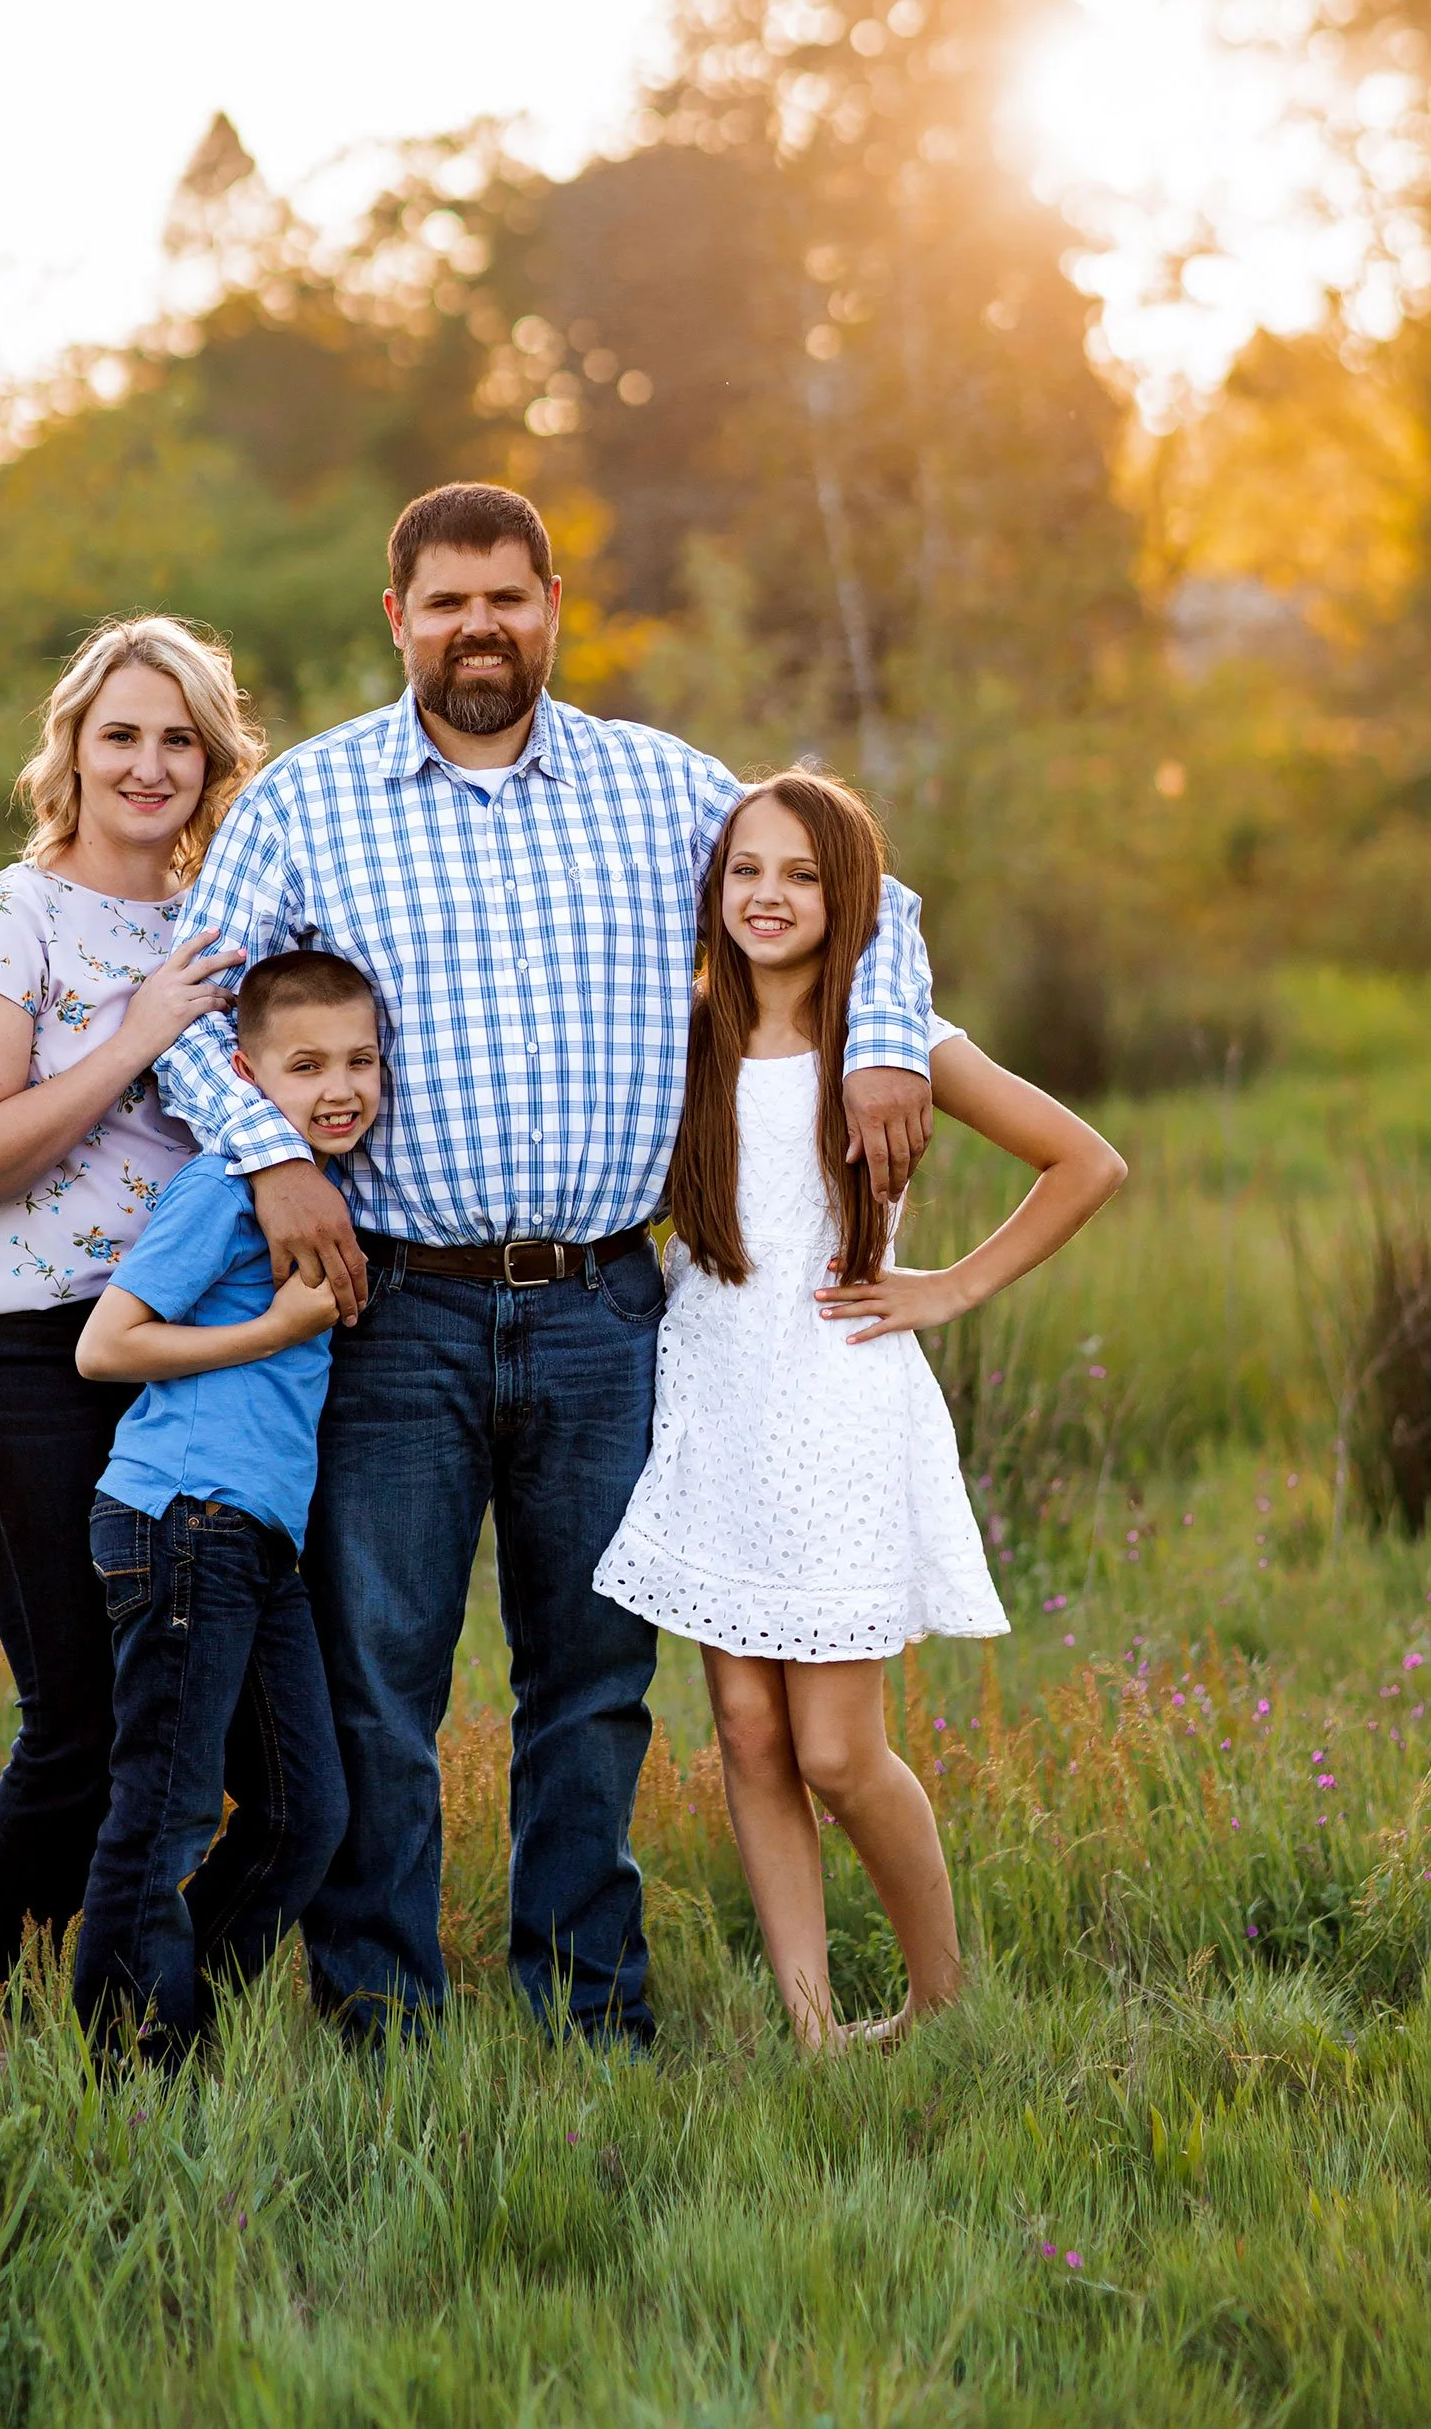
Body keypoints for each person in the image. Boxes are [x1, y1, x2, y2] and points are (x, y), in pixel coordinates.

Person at [153, 481, 938, 2044]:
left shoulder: (662, 790)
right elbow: (185, 1009)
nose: (478, 628)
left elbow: (868, 895)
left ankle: (591, 2008)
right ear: (399, 621)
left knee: (591, 1684)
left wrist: (887, 1046)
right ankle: (380, 2019)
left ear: (553, 605)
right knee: (383, 1687)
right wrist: (276, 1155)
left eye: (506, 597)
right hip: (395, 1308)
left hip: (607, 1304)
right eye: (445, 603)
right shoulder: (309, 804)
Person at [594, 772, 1126, 2052]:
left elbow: (1085, 1160)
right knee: (743, 1730)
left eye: (800, 875)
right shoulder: (680, 1034)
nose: (768, 897)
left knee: (834, 1748)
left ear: (850, 898)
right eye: (745, 873)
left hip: (833, 1397)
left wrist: (948, 1286)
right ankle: (813, 2024)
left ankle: (940, 1993)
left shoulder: (893, 1040)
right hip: (713, 1395)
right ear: (712, 894)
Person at [0, 617, 256, 2012]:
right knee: (81, 1714)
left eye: (180, 738)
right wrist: (135, 1039)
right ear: (73, 748)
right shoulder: (12, 917)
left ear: (214, 758)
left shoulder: (217, 925)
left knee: (193, 1719)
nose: (150, 764)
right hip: (17, 1348)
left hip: (177, 1352)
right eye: (123, 734)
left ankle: (135, 2005)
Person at [70, 952, 382, 2059]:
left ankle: (178, 2021)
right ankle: (131, 2075)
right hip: (181, 1516)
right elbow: (104, 1345)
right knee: (164, 1811)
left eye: (359, 1061)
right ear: (246, 1077)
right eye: (304, 1066)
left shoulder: (327, 1185)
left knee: (306, 1815)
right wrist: (271, 1334)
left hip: (254, 1538)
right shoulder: (224, 1185)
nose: (338, 1087)